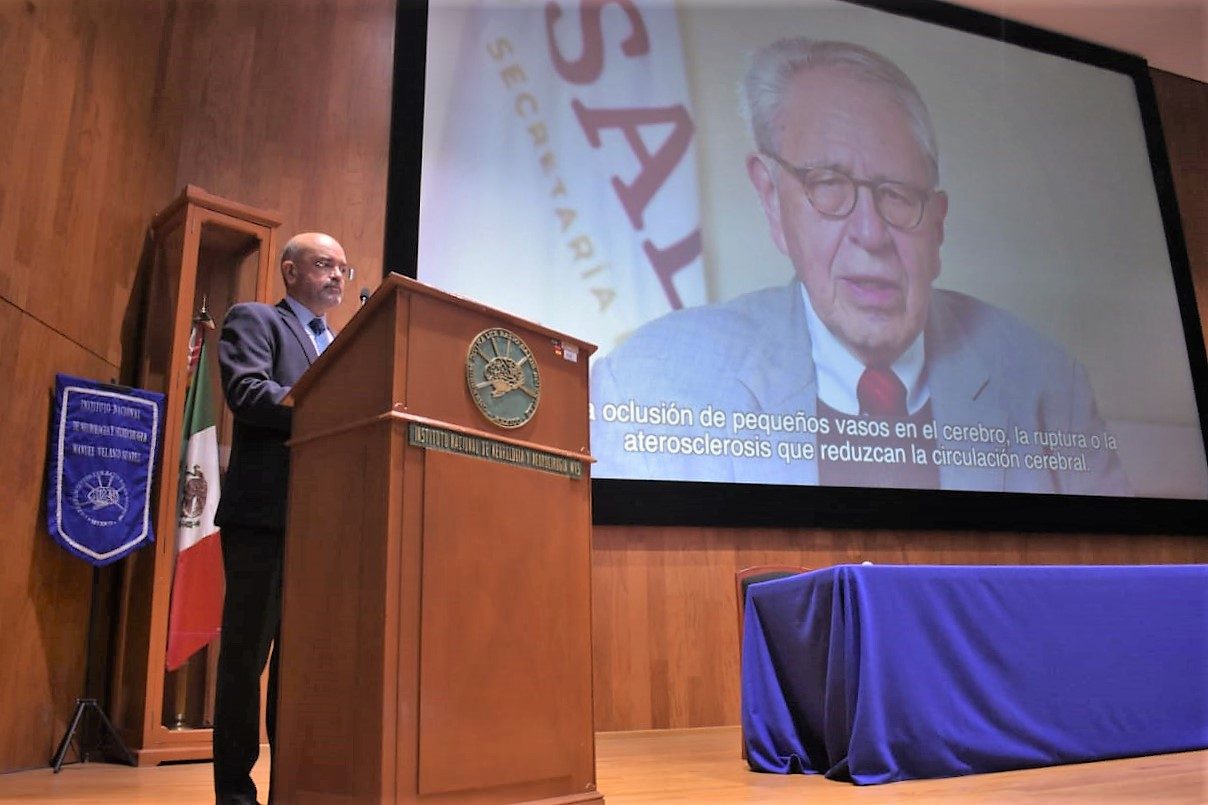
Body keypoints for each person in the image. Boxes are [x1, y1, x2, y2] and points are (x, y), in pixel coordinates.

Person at [589, 38, 1129, 495]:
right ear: (772, 200)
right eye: (829, 185)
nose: (870, 234)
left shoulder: (1050, 386)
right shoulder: (648, 383)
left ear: (937, 224)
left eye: (897, 195)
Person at [212, 232, 352, 805]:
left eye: (344, 267)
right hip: (265, 520)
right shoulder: (255, 320)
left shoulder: (344, 346)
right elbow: (248, 392)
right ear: (290, 272)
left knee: (302, 668)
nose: (338, 276)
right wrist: (336, 405)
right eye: (324, 265)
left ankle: (293, 790)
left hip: (326, 528)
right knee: (247, 662)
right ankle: (236, 797)